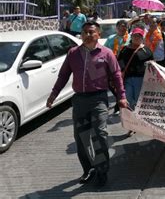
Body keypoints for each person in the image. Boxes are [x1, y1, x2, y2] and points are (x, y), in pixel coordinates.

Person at [46, 22, 128, 187]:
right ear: (81, 35)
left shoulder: (106, 53)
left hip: (98, 99)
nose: (87, 35)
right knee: (81, 137)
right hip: (79, 100)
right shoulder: (73, 53)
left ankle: (102, 170)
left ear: (98, 34)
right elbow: (63, 76)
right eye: (84, 32)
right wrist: (53, 94)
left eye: (91, 32)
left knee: (100, 134)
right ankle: (88, 169)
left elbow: (117, 75)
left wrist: (122, 96)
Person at [117, 27, 153, 112]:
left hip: (141, 79)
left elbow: (152, 64)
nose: (136, 38)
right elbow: (120, 60)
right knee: (127, 98)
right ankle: (130, 115)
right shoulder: (125, 49)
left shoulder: (146, 50)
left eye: (139, 36)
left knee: (138, 99)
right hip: (128, 78)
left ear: (142, 38)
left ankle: (138, 117)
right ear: (131, 37)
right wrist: (122, 69)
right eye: (135, 36)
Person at [104, 19, 129, 114]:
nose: (122, 28)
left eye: (124, 26)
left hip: (126, 65)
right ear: (117, 28)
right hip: (113, 65)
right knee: (112, 86)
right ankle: (119, 101)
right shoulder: (111, 38)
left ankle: (121, 105)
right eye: (120, 26)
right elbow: (105, 51)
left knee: (124, 85)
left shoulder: (130, 38)